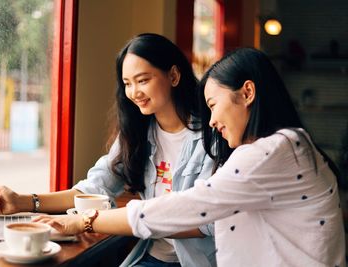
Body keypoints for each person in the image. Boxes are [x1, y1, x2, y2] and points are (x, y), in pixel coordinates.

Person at [34, 47, 346, 267]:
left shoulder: (273, 152)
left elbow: (192, 205)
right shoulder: (292, 145)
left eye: (214, 104)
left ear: (247, 93)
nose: (211, 120)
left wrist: (84, 221)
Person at [0, 33, 217, 267]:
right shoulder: (138, 133)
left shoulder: (213, 134)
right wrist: (20, 202)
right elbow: (94, 188)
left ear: (174, 76)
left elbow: (202, 220)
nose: (134, 92)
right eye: (127, 83)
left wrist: (86, 221)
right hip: (150, 257)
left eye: (143, 80)